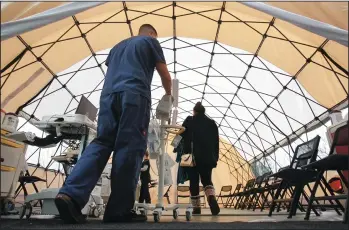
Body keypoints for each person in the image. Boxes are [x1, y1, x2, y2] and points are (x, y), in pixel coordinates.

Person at [54, 24, 172, 224]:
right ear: (152, 33)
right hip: (134, 95)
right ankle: (118, 210)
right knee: (129, 146)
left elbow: (113, 71)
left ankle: (70, 196)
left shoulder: (117, 47)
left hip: (108, 96)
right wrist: (169, 96)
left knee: (101, 143)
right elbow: (164, 74)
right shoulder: (150, 42)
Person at [180, 102, 220, 215]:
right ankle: (211, 197)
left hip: (192, 157)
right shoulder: (212, 123)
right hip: (208, 158)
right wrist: (215, 157)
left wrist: (174, 146)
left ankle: (196, 208)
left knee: (194, 182)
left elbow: (180, 134)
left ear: (194, 111)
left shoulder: (189, 120)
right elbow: (216, 142)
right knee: (207, 180)